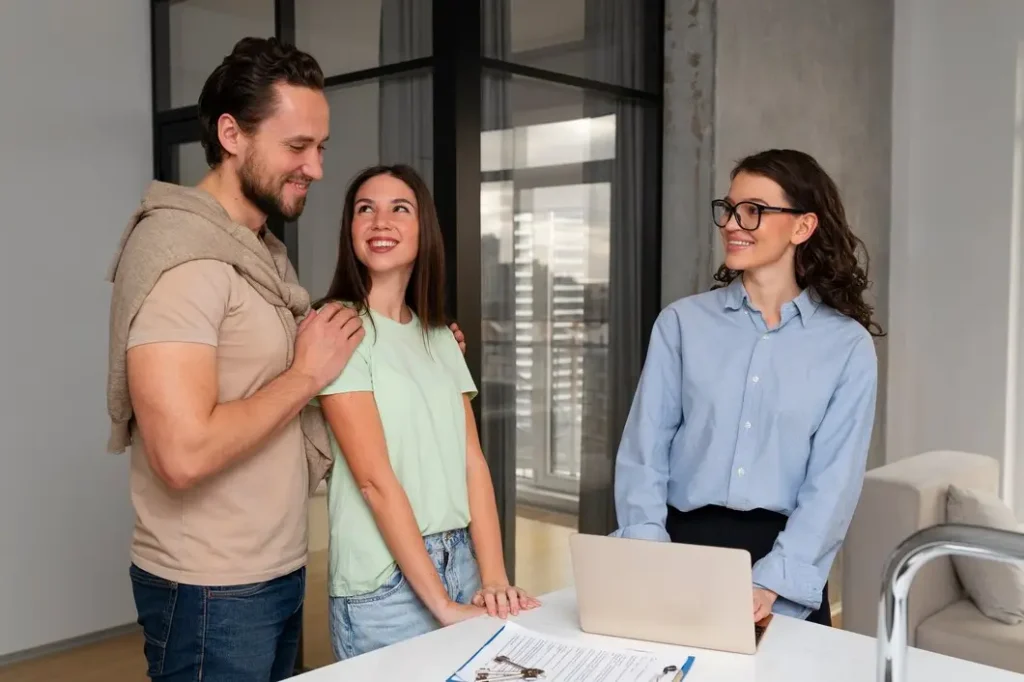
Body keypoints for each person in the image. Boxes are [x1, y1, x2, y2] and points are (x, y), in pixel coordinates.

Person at [105, 39, 466, 680]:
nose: (317, 168)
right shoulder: (181, 258)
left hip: (274, 571)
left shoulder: (263, 254)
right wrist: (306, 377)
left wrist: (419, 356)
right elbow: (181, 455)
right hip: (209, 587)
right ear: (231, 135)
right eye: (298, 147)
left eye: (320, 148)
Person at [612, 149, 882, 626]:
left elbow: (833, 485)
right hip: (677, 546)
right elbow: (644, 450)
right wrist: (649, 556)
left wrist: (773, 582)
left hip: (784, 563)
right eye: (730, 209)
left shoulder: (846, 346)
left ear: (802, 227)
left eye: (753, 211)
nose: (733, 224)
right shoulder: (682, 323)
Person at [314, 164, 540, 661]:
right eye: (364, 210)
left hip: (463, 563)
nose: (380, 221)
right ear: (350, 230)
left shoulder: (440, 336)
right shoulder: (339, 328)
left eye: (401, 208)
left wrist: (495, 577)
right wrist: (438, 602)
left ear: (424, 230)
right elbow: (373, 480)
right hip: (384, 583)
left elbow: (471, 463)